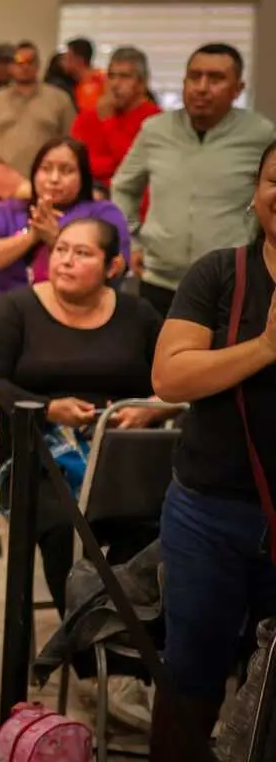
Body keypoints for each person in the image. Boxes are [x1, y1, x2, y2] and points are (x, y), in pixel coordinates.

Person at [149, 141, 276, 760]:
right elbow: (170, 378)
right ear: (256, 192)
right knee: (192, 671)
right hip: (211, 511)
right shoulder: (221, 273)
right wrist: (265, 347)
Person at [0, 218, 167, 619]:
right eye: (60, 249)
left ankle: (127, 641)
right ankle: (92, 649)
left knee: (150, 526)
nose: (65, 260)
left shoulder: (139, 314)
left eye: (82, 253)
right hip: (36, 458)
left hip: (120, 457)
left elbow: (175, 377)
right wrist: (46, 409)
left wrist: (151, 408)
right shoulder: (19, 308)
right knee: (65, 527)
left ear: (113, 266)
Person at [113, 43, 276, 317]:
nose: (202, 87)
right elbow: (123, 187)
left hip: (230, 280)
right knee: (157, 358)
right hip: (159, 280)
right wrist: (132, 241)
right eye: (194, 76)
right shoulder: (155, 130)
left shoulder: (260, 134)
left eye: (216, 78)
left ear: (237, 89)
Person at [0, 138, 130, 307]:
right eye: (46, 169)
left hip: (80, 314)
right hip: (6, 314)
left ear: (83, 176)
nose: (54, 179)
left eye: (66, 171)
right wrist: (32, 236)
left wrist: (56, 239)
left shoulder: (102, 213)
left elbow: (117, 267)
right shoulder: (9, 210)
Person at [0, 41, 77, 177]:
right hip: (2, 180)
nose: (25, 67)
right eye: (19, 63)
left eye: (30, 62)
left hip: (47, 179)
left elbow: (72, 141)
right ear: (11, 66)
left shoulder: (60, 99)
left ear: (38, 65)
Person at [71, 46, 161, 187]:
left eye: (125, 77)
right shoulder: (87, 117)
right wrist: (112, 165)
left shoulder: (155, 119)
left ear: (142, 83)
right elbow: (76, 164)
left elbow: (135, 168)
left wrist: (108, 122)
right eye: (111, 76)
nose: (115, 84)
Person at [62, 37, 106, 115]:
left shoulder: (102, 80)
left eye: (68, 57)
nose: (63, 61)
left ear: (79, 59)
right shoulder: (70, 83)